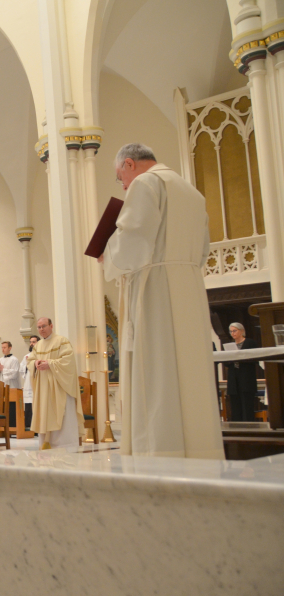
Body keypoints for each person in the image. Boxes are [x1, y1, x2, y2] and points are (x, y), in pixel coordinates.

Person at [101, 143, 224, 459]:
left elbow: (133, 238)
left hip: (155, 289)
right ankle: (199, 451)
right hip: (190, 290)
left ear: (129, 164)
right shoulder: (192, 193)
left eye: (120, 178)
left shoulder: (145, 183)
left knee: (156, 373)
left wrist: (107, 255)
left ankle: (158, 453)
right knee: (188, 372)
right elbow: (203, 251)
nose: (123, 186)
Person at [27, 318, 84, 450]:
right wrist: (35, 363)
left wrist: (50, 364)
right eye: (39, 327)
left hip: (59, 386)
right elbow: (30, 361)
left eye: (44, 326)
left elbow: (68, 361)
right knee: (45, 414)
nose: (41, 329)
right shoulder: (38, 345)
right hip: (43, 388)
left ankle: (66, 446)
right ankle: (46, 445)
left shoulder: (61, 341)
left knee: (62, 414)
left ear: (51, 326)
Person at [225, 322, 260, 422]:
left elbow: (255, 360)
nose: (232, 333)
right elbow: (226, 363)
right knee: (235, 405)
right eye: (231, 331)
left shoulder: (250, 343)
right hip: (233, 378)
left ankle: (249, 428)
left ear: (241, 331)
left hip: (246, 378)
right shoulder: (230, 345)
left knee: (247, 405)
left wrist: (240, 357)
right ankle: (237, 428)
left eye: (234, 331)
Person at [20, 335, 38, 430]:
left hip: (37, 381)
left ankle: (37, 427)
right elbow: (22, 369)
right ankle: (28, 426)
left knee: (36, 404)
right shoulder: (26, 356)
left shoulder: (40, 355)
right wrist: (27, 365)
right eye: (31, 342)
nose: (31, 343)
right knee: (28, 404)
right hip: (28, 382)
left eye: (34, 342)